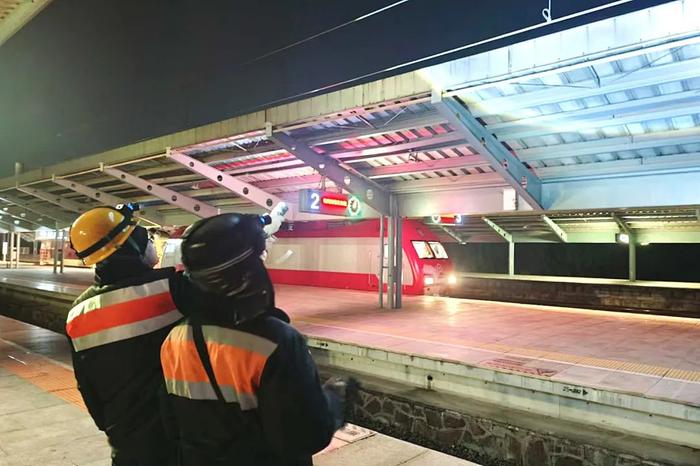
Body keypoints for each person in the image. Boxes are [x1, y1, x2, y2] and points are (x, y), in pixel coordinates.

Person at [160, 213, 346, 466]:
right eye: (259, 257)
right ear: (245, 271)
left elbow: (171, 424)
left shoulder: (175, 337)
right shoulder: (276, 341)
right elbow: (305, 435)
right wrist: (335, 401)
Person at [66, 204, 187, 466]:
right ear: (130, 246)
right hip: (176, 438)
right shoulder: (171, 289)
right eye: (146, 236)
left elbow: (87, 386)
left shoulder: (78, 312)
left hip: (125, 440)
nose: (153, 242)